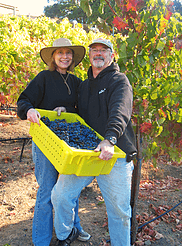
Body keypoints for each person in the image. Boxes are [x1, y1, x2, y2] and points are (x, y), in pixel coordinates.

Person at [51, 38, 137, 246]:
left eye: (103, 50)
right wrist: (66, 110)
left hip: (115, 153)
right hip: (87, 154)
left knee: (119, 212)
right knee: (60, 195)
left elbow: (120, 112)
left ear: (112, 55)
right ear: (89, 56)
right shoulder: (85, 85)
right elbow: (83, 114)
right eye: (94, 50)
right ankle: (65, 235)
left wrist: (109, 139)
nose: (98, 54)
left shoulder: (119, 80)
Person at [17, 38, 91, 246]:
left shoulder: (76, 82)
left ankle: (74, 228)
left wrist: (68, 111)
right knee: (47, 191)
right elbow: (23, 100)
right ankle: (41, 240)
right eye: (60, 53)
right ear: (53, 56)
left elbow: (81, 111)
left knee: (70, 190)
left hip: (69, 143)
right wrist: (29, 110)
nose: (65, 56)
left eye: (68, 53)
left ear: (72, 58)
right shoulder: (43, 78)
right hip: (45, 142)